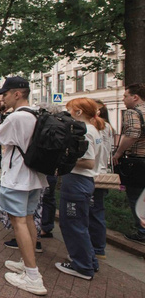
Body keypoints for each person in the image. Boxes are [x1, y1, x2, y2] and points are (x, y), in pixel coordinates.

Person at [0, 76, 48, 295]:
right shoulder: (36, 114)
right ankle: (26, 262)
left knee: (19, 222)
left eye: (5, 94)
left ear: (17, 94)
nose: (2, 98)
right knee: (29, 219)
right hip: (35, 178)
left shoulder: (16, 118)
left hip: (17, 179)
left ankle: (32, 276)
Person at [55, 98, 104, 280]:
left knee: (73, 223)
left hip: (77, 181)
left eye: (70, 110)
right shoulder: (93, 130)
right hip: (82, 182)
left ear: (79, 112)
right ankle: (89, 260)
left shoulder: (85, 132)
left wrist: (65, 160)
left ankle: (82, 266)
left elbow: (89, 162)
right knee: (80, 223)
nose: (68, 113)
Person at [112, 83, 145, 244]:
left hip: (138, 161)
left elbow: (132, 133)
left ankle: (142, 231)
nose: (123, 99)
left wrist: (118, 153)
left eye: (125, 96)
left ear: (135, 97)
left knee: (136, 197)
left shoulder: (133, 112)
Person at [89, 100, 115, 259]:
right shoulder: (108, 127)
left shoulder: (99, 127)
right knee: (97, 210)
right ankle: (98, 247)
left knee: (94, 211)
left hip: (95, 173)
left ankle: (97, 248)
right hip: (101, 171)